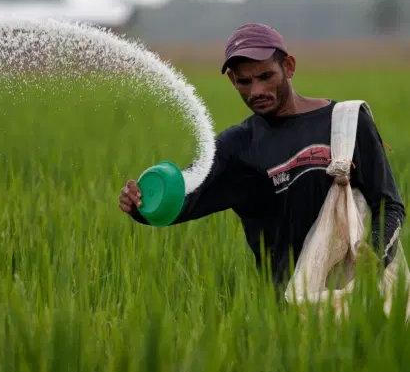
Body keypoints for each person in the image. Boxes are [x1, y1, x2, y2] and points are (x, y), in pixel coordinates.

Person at [118, 22, 406, 284]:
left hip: (355, 292)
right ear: (233, 81)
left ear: (288, 67)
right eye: (244, 82)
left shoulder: (346, 121)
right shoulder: (238, 147)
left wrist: (375, 257)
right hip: (288, 306)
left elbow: (388, 204)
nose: (256, 90)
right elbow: (184, 200)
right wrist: (141, 205)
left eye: (266, 76)